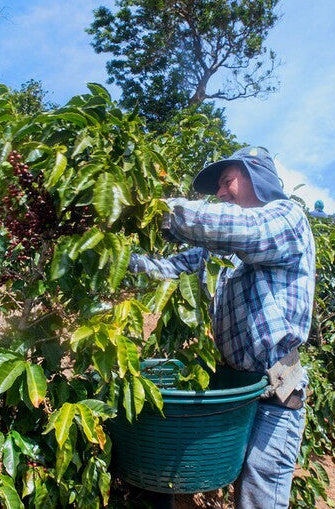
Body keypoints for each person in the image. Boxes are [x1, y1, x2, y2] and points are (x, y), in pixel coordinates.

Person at [128, 146, 316, 508]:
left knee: (258, 489)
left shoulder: (285, 219)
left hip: (274, 392)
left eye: (227, 181)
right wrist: (116, 259)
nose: (220, 192)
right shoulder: (220, 249)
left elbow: (242, 230)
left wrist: (153, 208)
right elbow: (169, 268)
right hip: (231, 387)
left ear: (258, 178)